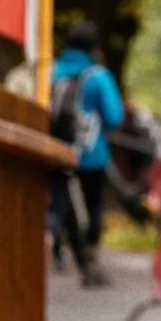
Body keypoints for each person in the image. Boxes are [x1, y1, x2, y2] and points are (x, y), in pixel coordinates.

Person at [48, 21, 126, 287]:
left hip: (57, 149)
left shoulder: (52, 71)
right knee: (92, 206)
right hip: (92, 153)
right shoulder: (98, 76)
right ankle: (89, 255)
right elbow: (114, 116)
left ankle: (59, 245)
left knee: (61, 200)